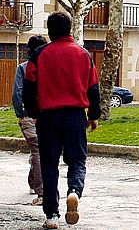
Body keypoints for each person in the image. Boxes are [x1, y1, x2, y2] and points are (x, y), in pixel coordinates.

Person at [22, 12, 100, 229]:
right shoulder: (83, 54)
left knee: (49, 164)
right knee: (77, 160)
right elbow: (93, 87)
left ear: (50, 30)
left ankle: (52, 215)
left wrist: (34, 112)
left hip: (48, 117)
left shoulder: (38, 55)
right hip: (75, 116)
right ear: (70, 28)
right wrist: (93, 115)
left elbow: (28, 89)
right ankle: (74, 191)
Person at [11, 35, 48, 206]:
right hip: (48, 114)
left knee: (37, 151)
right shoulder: (50, 67)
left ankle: (36, 185)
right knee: (42, 150)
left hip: (29, 115)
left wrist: (20, 113)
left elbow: (17, 93)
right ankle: (41, 189)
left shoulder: (23, 68)